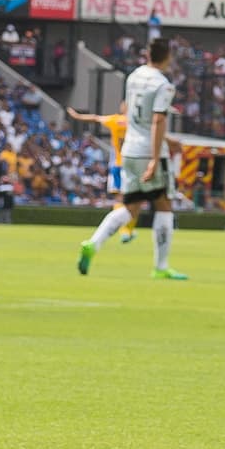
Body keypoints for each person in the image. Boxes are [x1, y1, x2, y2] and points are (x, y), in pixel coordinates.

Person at [78, 38, 186, 281]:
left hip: (129, 150)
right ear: (168, 57)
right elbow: (157, 120)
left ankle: (93, 243)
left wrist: (166, 141)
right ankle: (161, 267)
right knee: (164, 205)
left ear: (148, 54)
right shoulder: (163, 85)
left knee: (130, 206)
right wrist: (156, 158)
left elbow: (135, 116)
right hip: (150, 151)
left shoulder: (134, 77)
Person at [70, 102, 136, 266]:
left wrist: (78, 116)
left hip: (117, 165)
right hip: (132, 165)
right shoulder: (135, 122)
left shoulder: (114, 120)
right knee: (135, 202)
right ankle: (126, 231)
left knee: (120, 200)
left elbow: (94, 118)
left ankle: (114, 235)